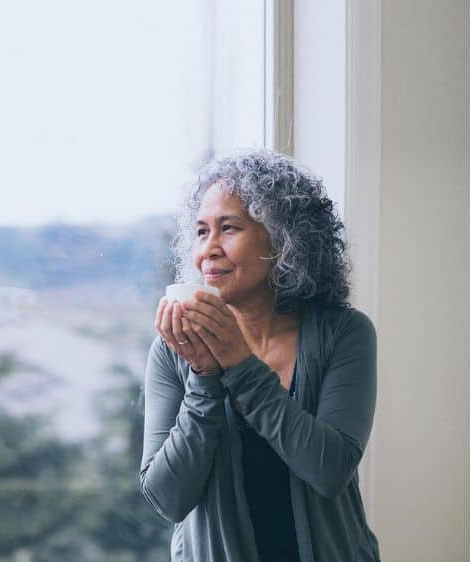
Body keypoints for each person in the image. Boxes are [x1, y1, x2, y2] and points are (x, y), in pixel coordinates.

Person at [139, 149, 381, 562]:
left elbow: (329, 470)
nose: (209, 248)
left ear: (284, 240)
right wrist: (204, 375)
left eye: (228, 228)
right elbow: (167, 498)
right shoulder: (173, 350)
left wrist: (239, 365)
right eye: (201, 232)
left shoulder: (344, 333)